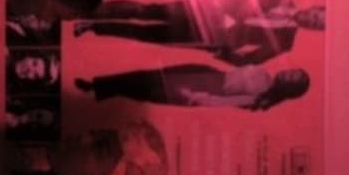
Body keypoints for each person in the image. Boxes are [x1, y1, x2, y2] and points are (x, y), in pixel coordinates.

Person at [73, 0, 326, 65]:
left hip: (208, 37)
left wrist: (222, 51)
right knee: (146, 10)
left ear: (313, 30)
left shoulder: (285, 42)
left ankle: (92, 26)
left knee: (144, 34)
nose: (311, 20)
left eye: (316, 25)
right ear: (315, 7)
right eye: (316, 16)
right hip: (206, 10)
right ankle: (92, 10)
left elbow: (252, 60)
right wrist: (221, 4)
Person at [75, 63, 310, 110]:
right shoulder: (264, 72)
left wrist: (196, 97)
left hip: (203, 89)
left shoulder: (262, 97)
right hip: (206, 74)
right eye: (293, 71)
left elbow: (226, 102)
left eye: (292, 78)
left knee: (146, 90)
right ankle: (97, 86)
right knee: (144, 76)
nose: (287, 73)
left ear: (289, 88)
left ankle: (97, 90)